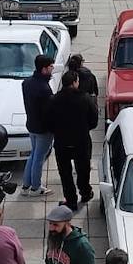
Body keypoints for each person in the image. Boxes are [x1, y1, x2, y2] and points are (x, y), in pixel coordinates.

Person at [51, 69, 99, 210]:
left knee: (65, 174)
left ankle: (71, 200)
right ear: (74, 83)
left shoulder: (54, 100)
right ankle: (85, 192)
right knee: (83, 170)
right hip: (81, 141)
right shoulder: (85, 99)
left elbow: (48, 121)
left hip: (62, 143)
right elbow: (94, 121)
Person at [21, 54, 55, 195]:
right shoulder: (44, 89)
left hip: (31, 124)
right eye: (50, 67)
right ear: (44, 69)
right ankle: (35, 187)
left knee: (33, 154)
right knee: (39, 158)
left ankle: (26, 185)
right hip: (43, 129)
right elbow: (48, 112)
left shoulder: (27, 83)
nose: (52, 68)